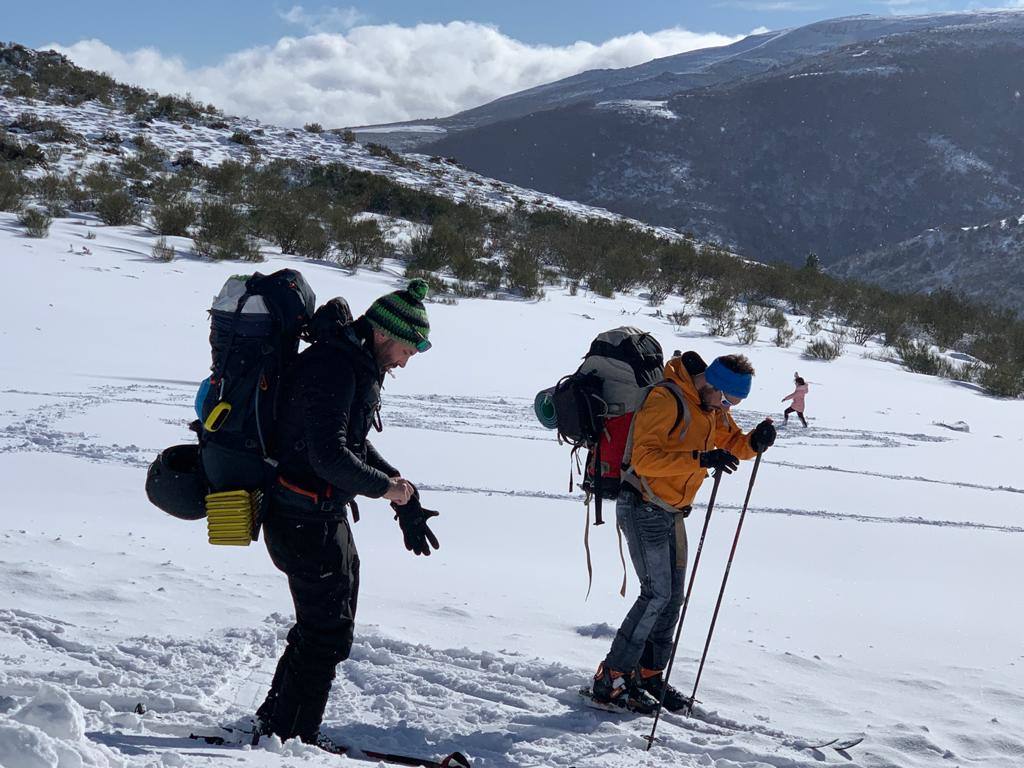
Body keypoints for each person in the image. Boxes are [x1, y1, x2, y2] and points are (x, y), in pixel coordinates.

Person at [254, 279, 440, 751]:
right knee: (326, 633)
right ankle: (291, 737)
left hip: (317, 513)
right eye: (405, 350)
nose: (404, 362)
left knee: (323, 626)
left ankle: (277, 720)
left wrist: (402, 488)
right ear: (382, 334)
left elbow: (351, 443)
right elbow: (328, 456)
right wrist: (386, 490)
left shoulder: (352, 361)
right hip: (302, 515)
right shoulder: (335, 367)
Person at [590, 352, 776, 713]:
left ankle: (648, 674)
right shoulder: (666, 399)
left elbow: (733, 442)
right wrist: (701, 459)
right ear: (710, 382)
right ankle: (610, 678)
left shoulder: (712, 408)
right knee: (656, 594)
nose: (727, 408)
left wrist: (755, 441)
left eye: (734, 403)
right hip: (642, 504)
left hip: (671, 511)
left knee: (673, 597)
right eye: (726, 399)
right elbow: (644, 459)